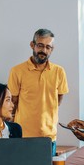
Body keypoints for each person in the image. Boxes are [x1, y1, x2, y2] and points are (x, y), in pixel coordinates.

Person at [8, 28, 69, 156]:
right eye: (40, 46)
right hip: (23, 135)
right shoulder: (17, 71)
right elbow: (13, 102)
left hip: (49, 136)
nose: (44, 51)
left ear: (52, 49)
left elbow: (59, 98)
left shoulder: (59, 71)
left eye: (48, 47)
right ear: (32, 45)